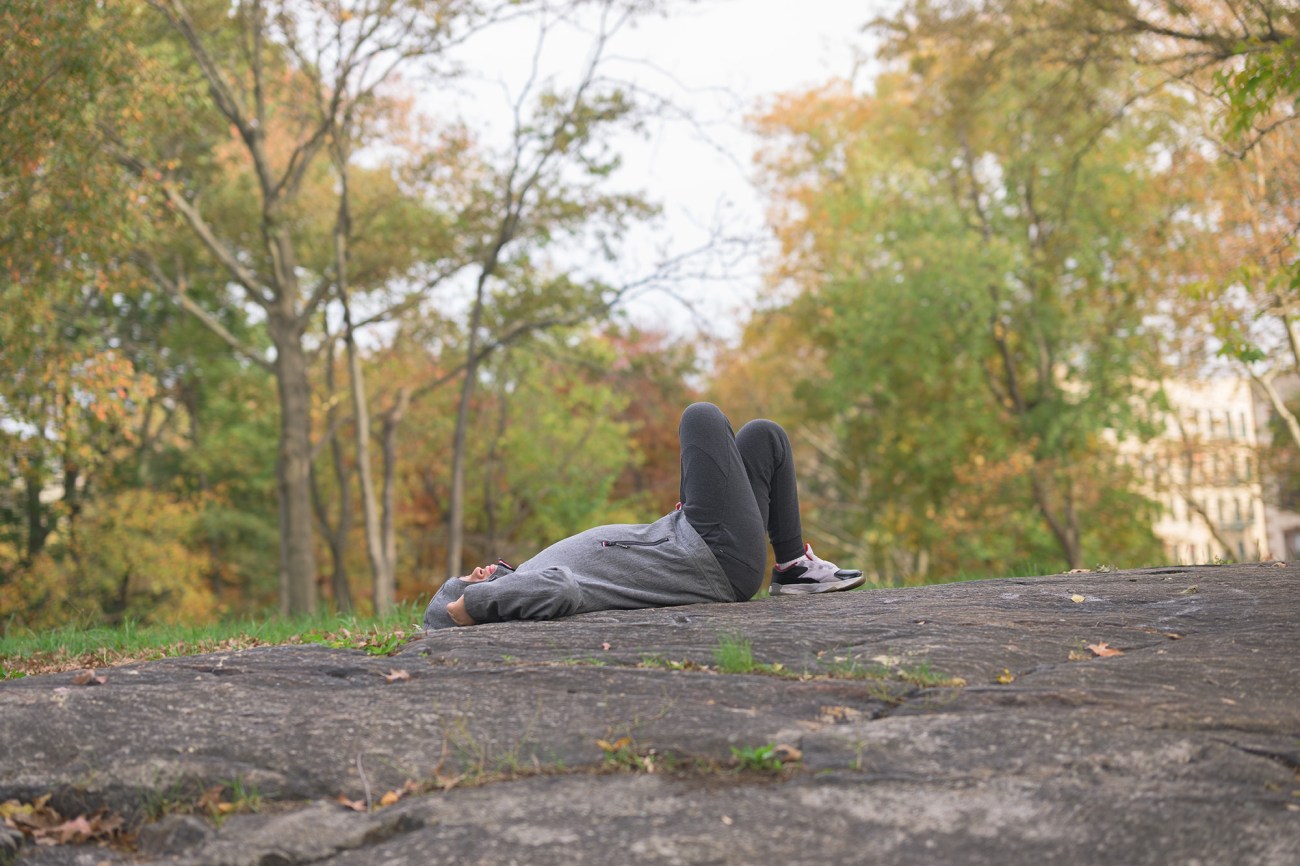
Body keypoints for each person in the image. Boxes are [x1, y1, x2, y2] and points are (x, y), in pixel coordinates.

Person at [423, 402, 863, 630]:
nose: (475, 572)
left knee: (763, 437)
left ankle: (793, 569)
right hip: (710, 559)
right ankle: (789, 568)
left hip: (691, 540)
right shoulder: (532, 584)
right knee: (701, 417)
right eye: (467, 581)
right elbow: (563, 588)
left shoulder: (526, 574)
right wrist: (472, 606)